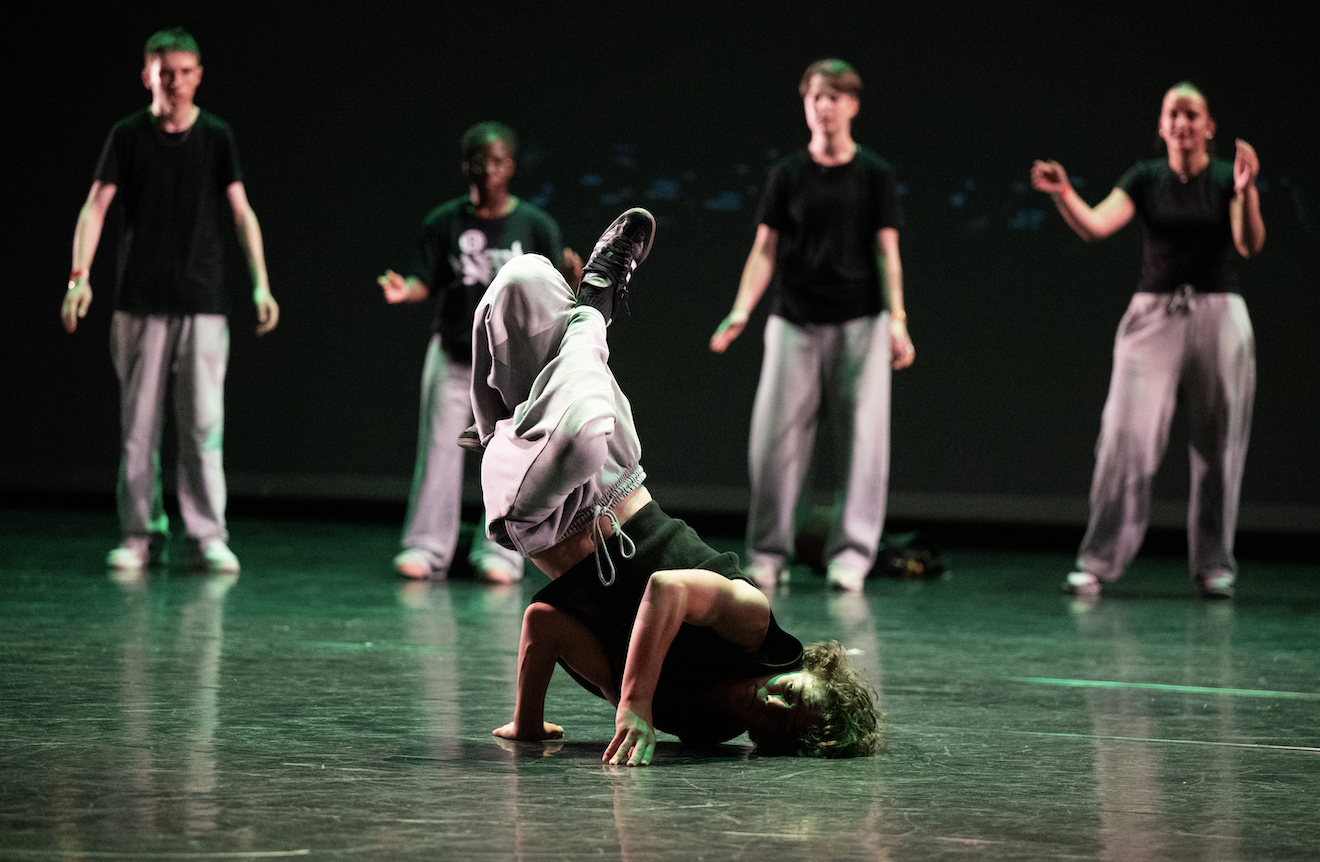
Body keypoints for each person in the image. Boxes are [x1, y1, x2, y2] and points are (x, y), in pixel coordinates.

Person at [474, 208, 882, 766]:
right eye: (789, 692)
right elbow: (665, 588)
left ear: (777, 742)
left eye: (782, 719)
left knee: (545, 398)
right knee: (525, 283)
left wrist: (526, 725)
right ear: (799, 670)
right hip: (614, 480)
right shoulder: (751, 620)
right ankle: (593, 307)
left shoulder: (699, 727)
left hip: (543, 524)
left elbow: (544, 624)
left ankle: (529, 388)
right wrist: (634, 706)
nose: (772, 699)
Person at [1031, 82, 1265, 600]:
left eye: (1192, 114)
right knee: (1124, 439)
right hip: (1153, 316)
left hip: (1219, 312)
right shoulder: (1145, 177)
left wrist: (1247, 191)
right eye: (1173, 114)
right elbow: (1095, 225)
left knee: (1220, 444)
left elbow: (1249, 243)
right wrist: (1064, 193)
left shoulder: (1228, 177)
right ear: (1162, 125)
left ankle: (1214, 565)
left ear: (1209, 126)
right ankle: (1098, 559)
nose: (1182, 122)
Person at [62, 27, 279, 574]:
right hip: (139, 302)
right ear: (148, 75)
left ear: (198, 74)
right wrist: (78, 276)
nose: (174, 82)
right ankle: (139, 533)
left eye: (183, 72)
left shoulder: (216, 136)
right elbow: (94, 208)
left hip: (203, 302)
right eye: (164, 72)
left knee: (203, 424)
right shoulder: (128, 135)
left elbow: (241, 212)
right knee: (138, 427)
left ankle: (206, 534)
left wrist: (261, 283)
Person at [709, 59, 914, 593]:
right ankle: (770, 552)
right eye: (815, 97)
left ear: (852, 105)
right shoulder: (787, 175)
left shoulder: (874, 174)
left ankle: (851, 553)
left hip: (860, 321)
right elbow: (764, 251)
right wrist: (740, 311)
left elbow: (887, 253)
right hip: (794, 319)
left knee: (863, 443)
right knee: (774, 443)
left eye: (833, 97)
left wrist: (898, 319)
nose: (823, 106)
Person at [378, 122, 581, 583]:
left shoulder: (535, 225)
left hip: (512, 363)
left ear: (510, 166)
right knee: (439, 452)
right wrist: (401, 290)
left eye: (497, 161)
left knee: (508, 456)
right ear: (464, 166)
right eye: (478, 161)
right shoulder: (444, 222)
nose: (487, 171)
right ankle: (427, 547)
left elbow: (555, 291)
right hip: (452, 355)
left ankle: (503, 553)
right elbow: (423, 282)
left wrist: (573, 276)